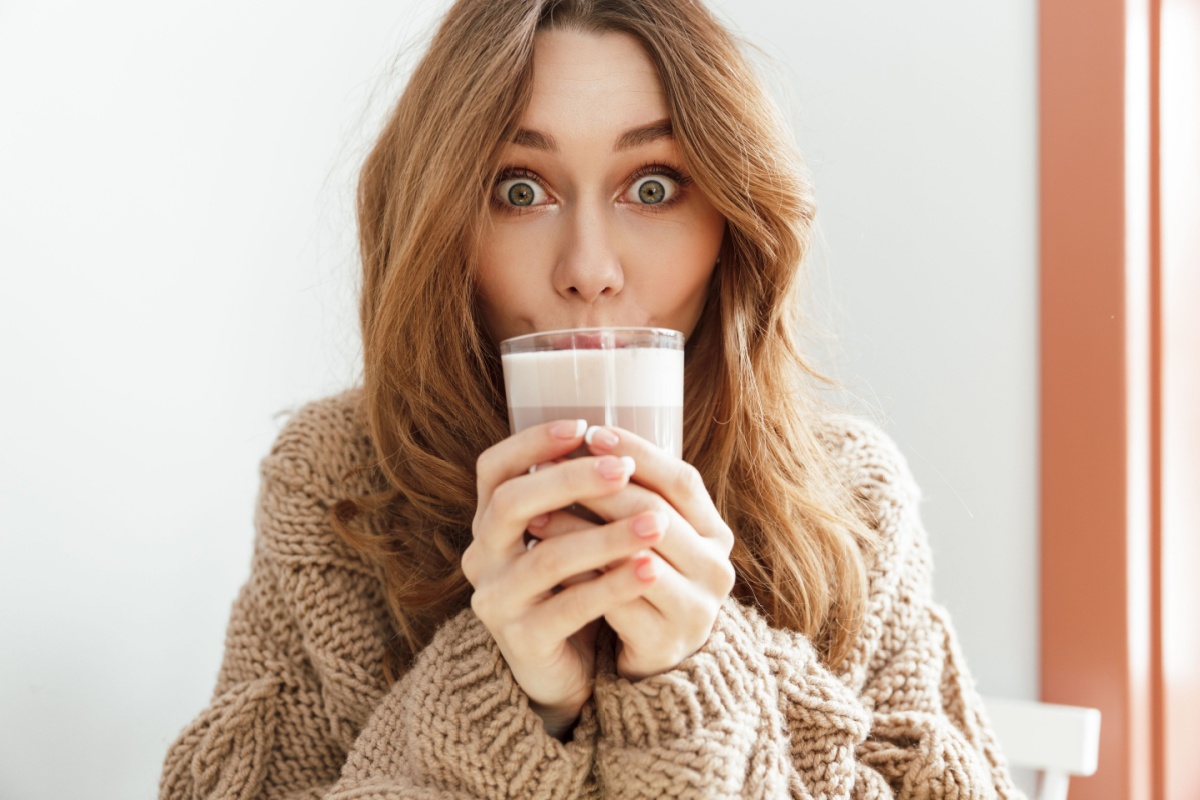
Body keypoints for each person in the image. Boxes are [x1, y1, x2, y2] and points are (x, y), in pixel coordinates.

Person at [160, 0, 1024, 797]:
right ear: (440, 225)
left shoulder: (850, 503)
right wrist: (502, 695)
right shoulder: (340, 482)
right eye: (518, 189)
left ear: (735, 221)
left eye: (652, 187)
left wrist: (694, 682)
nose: (589, 272)